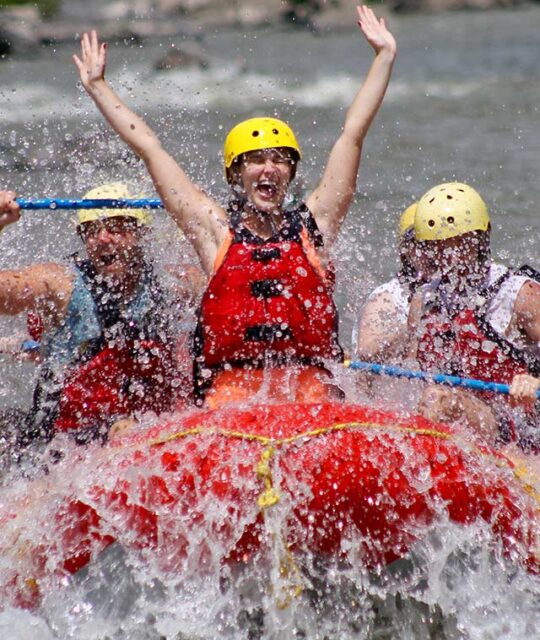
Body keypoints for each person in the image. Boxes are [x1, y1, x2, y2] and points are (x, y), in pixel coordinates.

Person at [73, 5, 397, 408]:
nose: (269, 168)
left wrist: (383, 57)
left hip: (308, 385)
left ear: (291, 172)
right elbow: (150, 149)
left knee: (322, 399)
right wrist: (98, 87)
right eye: (256, 160)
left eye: (280, 159)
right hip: (232, 390)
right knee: (224, 404)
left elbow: (352, 134)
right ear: (235, 174)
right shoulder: (214, 232)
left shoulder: (316, 225)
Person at [0, 184, 187, 450]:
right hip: (65, 444)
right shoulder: (60, 284)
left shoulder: (172, 284)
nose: (102, 239)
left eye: (116, 228)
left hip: (144, 435)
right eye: (91, 231)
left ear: (141, 232)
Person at [409, 182, 540, 450]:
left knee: (441, 400)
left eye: (460, 243)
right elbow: (415, 368)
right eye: (440, 246)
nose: (451, 255)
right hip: (463, 413)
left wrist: (534, 381)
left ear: (483, 237)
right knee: (433, 397)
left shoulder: (520, 294)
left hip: (519, 425)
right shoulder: (423, 300)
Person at [356, 202, 435, 363]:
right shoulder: (389, 295)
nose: (430, 251)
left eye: (435, 243)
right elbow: (367, 352)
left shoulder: (456, 294)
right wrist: (413, 326)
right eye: (420, 244)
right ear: (405, 251)